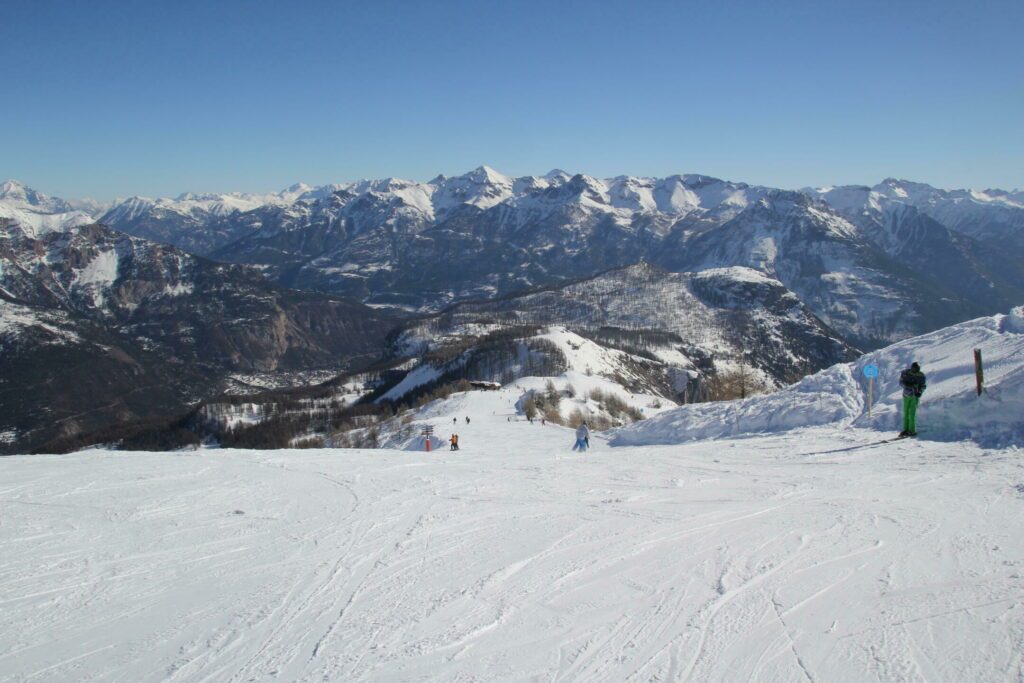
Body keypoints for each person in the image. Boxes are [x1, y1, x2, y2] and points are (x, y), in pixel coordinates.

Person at [898, 362, 927, 437]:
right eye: (914, 368)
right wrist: (907, 384)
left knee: (912, 413)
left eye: (916, 369)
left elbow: (923, 386)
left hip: (914, 396)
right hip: (906, 395)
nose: (915, 370)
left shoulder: (921, 376)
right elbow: (900, 382)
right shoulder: (906, 373)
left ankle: (912, 430)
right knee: (906, 413)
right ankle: (906, 429)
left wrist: (920, 392)